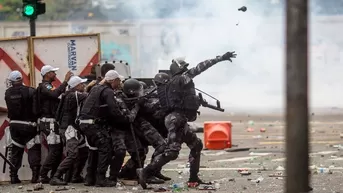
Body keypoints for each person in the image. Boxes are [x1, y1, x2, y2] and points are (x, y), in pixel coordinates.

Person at [137, 52, 237, 189]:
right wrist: (220, 58)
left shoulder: (176, 83)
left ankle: (193, 178)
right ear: (179, 70)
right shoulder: (181, 79)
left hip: (179, 119)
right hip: (175, 119)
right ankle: (146, 172)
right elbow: (200, 67)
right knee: (172, 152)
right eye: (184, 68)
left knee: (196, 145)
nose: (186, 70)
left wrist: (197, 101)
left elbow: (185, 100)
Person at [78, 70, 134, 187]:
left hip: (85, 123)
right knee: (105, 149)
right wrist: (126, 119)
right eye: (118, 81)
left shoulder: (96, 88)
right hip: (93, 124)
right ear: (113, 80)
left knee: (94, 150)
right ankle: (101, 179)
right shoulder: (107, 91)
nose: (119, 84)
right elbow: (114, 111)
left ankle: (90, 178)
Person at [117, 79, 167, 184]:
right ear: (131, 92)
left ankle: (133, 173)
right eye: (139, 90)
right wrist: (138, 104)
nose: (141, 93)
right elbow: (130, 117)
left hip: (138, 126)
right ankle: (146, 173)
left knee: (142, 152)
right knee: (140, 153)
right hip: (130, 128)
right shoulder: (120, 100)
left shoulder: (134, 98)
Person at [36, 65, 73, 183]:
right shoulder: (45, 86)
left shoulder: (49, 86)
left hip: (51, 122)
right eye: (53, 72)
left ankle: (53, 175)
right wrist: (66, 81)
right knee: (55, 149)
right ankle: (43, 175)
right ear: (47, 74)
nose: (55, 75)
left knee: (57, 149)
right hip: (49, 123)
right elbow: (54, 94)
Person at [50, 76, 89, 186]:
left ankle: (75, 176)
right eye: (82, 84)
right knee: (73, 154)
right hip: (70, 129)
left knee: (84, 151)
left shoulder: (66, 94)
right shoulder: (75, 95)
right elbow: (90, 97)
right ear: (76, 86)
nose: (84, 86)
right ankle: (56, 177)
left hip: (69, 128)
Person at [4, 71, 39, 184]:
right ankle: (35, 177)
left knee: (16, 151)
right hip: (29, 125)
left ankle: (13, 177)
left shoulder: (7, 93)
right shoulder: (30, 90)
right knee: (33, 148)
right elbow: (36, 109)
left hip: (14, 125)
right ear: (21, 79)